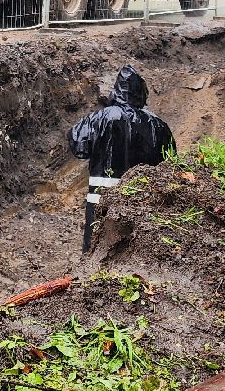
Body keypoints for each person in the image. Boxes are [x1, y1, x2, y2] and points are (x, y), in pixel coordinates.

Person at [69, 65, 175, 252]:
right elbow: (171, 165)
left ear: (116, 90)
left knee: (94, 247)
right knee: (136, 249)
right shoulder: (157, 124)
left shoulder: (100, 118)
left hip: (101, 195)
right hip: (141, 199)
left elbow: (78, 144)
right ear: (141, 92)